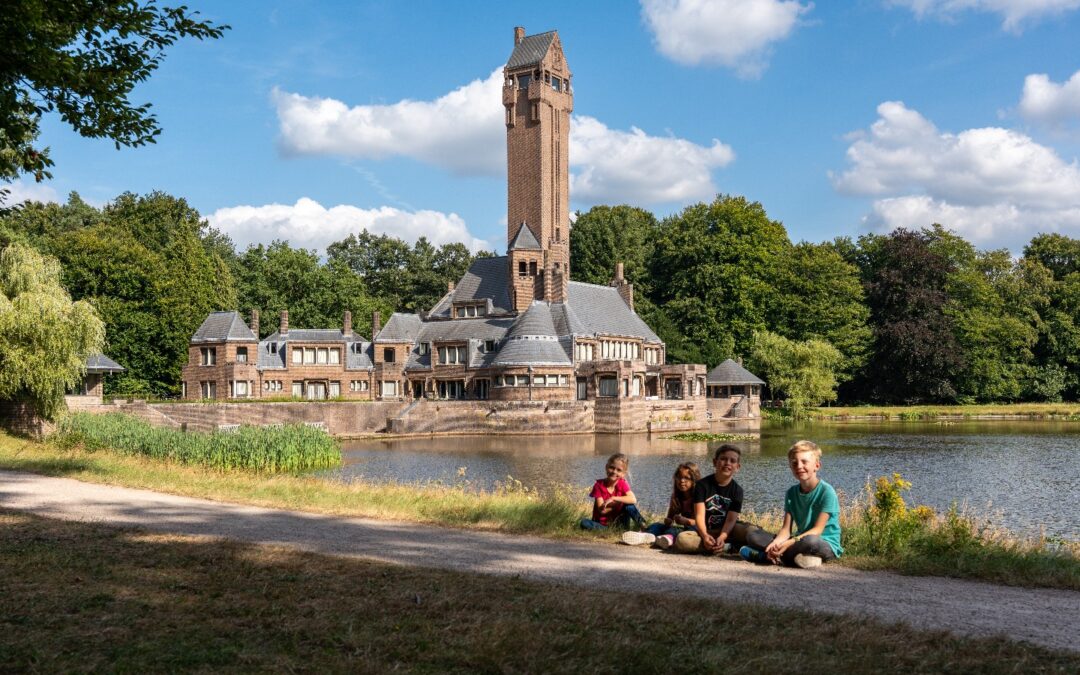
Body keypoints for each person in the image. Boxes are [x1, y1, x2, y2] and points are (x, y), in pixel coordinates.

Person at [739, 440, 843, 569]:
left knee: (810, 541)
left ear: (817, 465)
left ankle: (767, 556)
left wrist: (789, 543)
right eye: (794, 463)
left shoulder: (827, 492)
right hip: (798, 540)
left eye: (804, 462)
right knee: (753, 536)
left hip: (823, 543)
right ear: (790, 467)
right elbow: (785, 530)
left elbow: (817, 530)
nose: (799, 466)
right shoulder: (791, 493)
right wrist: (777, 543)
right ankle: (792, 557)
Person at [673, 445, 745, 554]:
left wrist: (722, 537)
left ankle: (721, 545)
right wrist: (705, 536)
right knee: (682, 540)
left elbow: (731, 520)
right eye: (723, 459)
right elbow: (699, 516)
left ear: (737, 467)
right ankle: (727, 547)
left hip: (727, 530)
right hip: (705, 530)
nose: (727, 463)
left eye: (732, 461)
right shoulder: (702, 485)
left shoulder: (738, 490)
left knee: (750, 532)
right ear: (715, 462)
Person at [621, 462, 700, 547]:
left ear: (694, 480)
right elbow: (669, 519)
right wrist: (669, 520)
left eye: (686, 478)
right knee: (657, 526)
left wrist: (686, 521)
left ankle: (667, 539)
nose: (682, 481)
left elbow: (701, 522)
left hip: (695, 530)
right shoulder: (676, 496)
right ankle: (644, 536)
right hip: (684, 528)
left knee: (675, 531)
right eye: (679, 477)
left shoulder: (699, 496)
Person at [580, 453, 646, 530]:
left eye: (619, 470)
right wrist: (620, 505)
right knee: (584, 522)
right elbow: (602, 511)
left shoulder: (622, 483)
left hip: (620, 523)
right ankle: (611, 531)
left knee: (629, 506)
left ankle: (644, 528)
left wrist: (614, 498)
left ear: (623, 473)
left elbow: (633, 499)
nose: (614, 472)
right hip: (602, 524)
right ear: (606, 467)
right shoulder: (598, 485)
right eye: (612, 468)